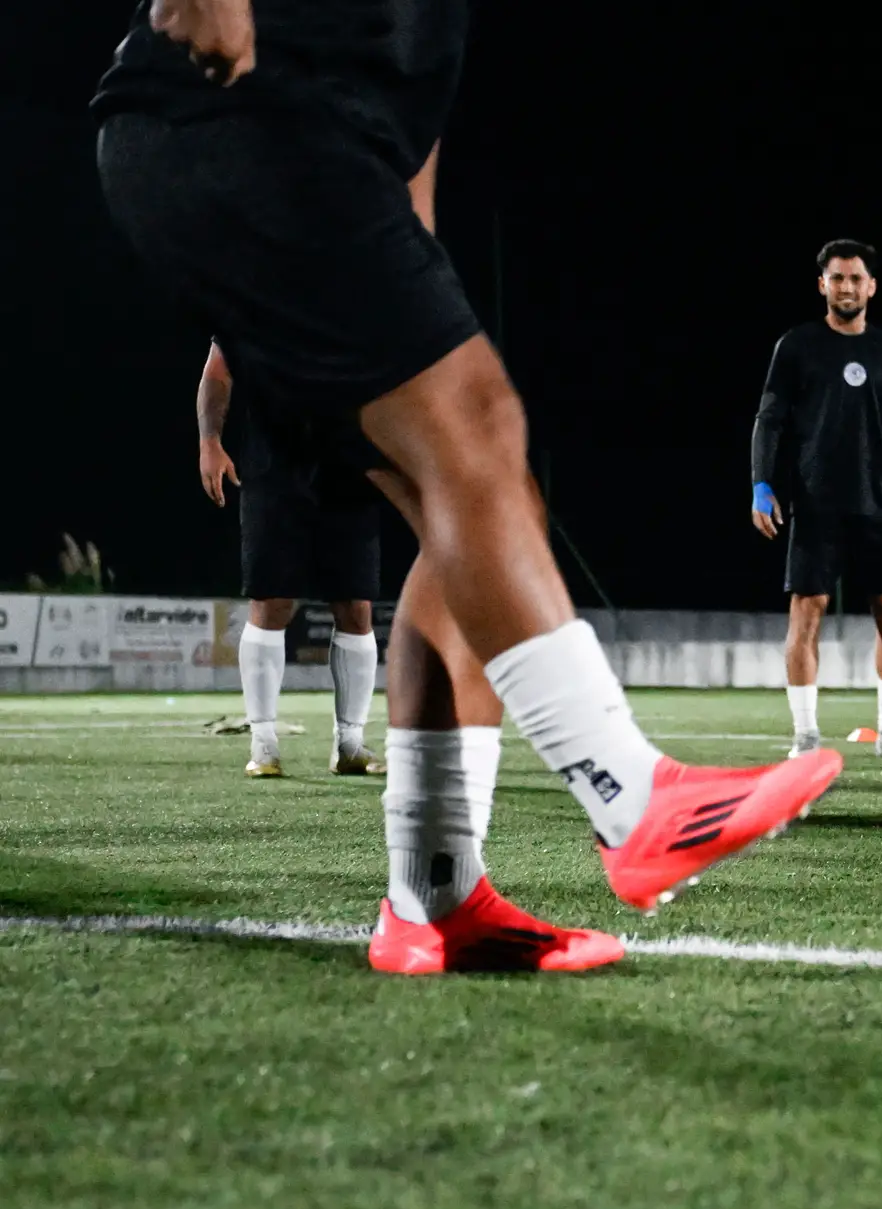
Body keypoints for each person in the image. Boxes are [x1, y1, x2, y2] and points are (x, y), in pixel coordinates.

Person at [95, 0, 841, 974]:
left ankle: (432, 899)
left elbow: (408, 178)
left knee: (483, 505)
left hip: (294, 156)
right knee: (480, 438)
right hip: (229, 120)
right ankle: (632, 797)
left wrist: (433, 353)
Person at [751, 240, 882, 761]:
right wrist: (763, 485)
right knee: (807, 614)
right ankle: (806, 737)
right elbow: (770, 420)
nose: (847, 286)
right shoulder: (797, 346)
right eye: (837, 278)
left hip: (881, 504)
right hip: (815, 505)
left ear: (871, 286)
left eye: (856, 278)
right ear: (822, 285)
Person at [196, 342, 384, 779]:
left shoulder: (368, 292)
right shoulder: (255, 290)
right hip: (273, 466)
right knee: (272, 600)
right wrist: (210, 441)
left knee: (356, 606)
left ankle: (350, 744)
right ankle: (263, 745)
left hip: (350, 467)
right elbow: (218, 372)